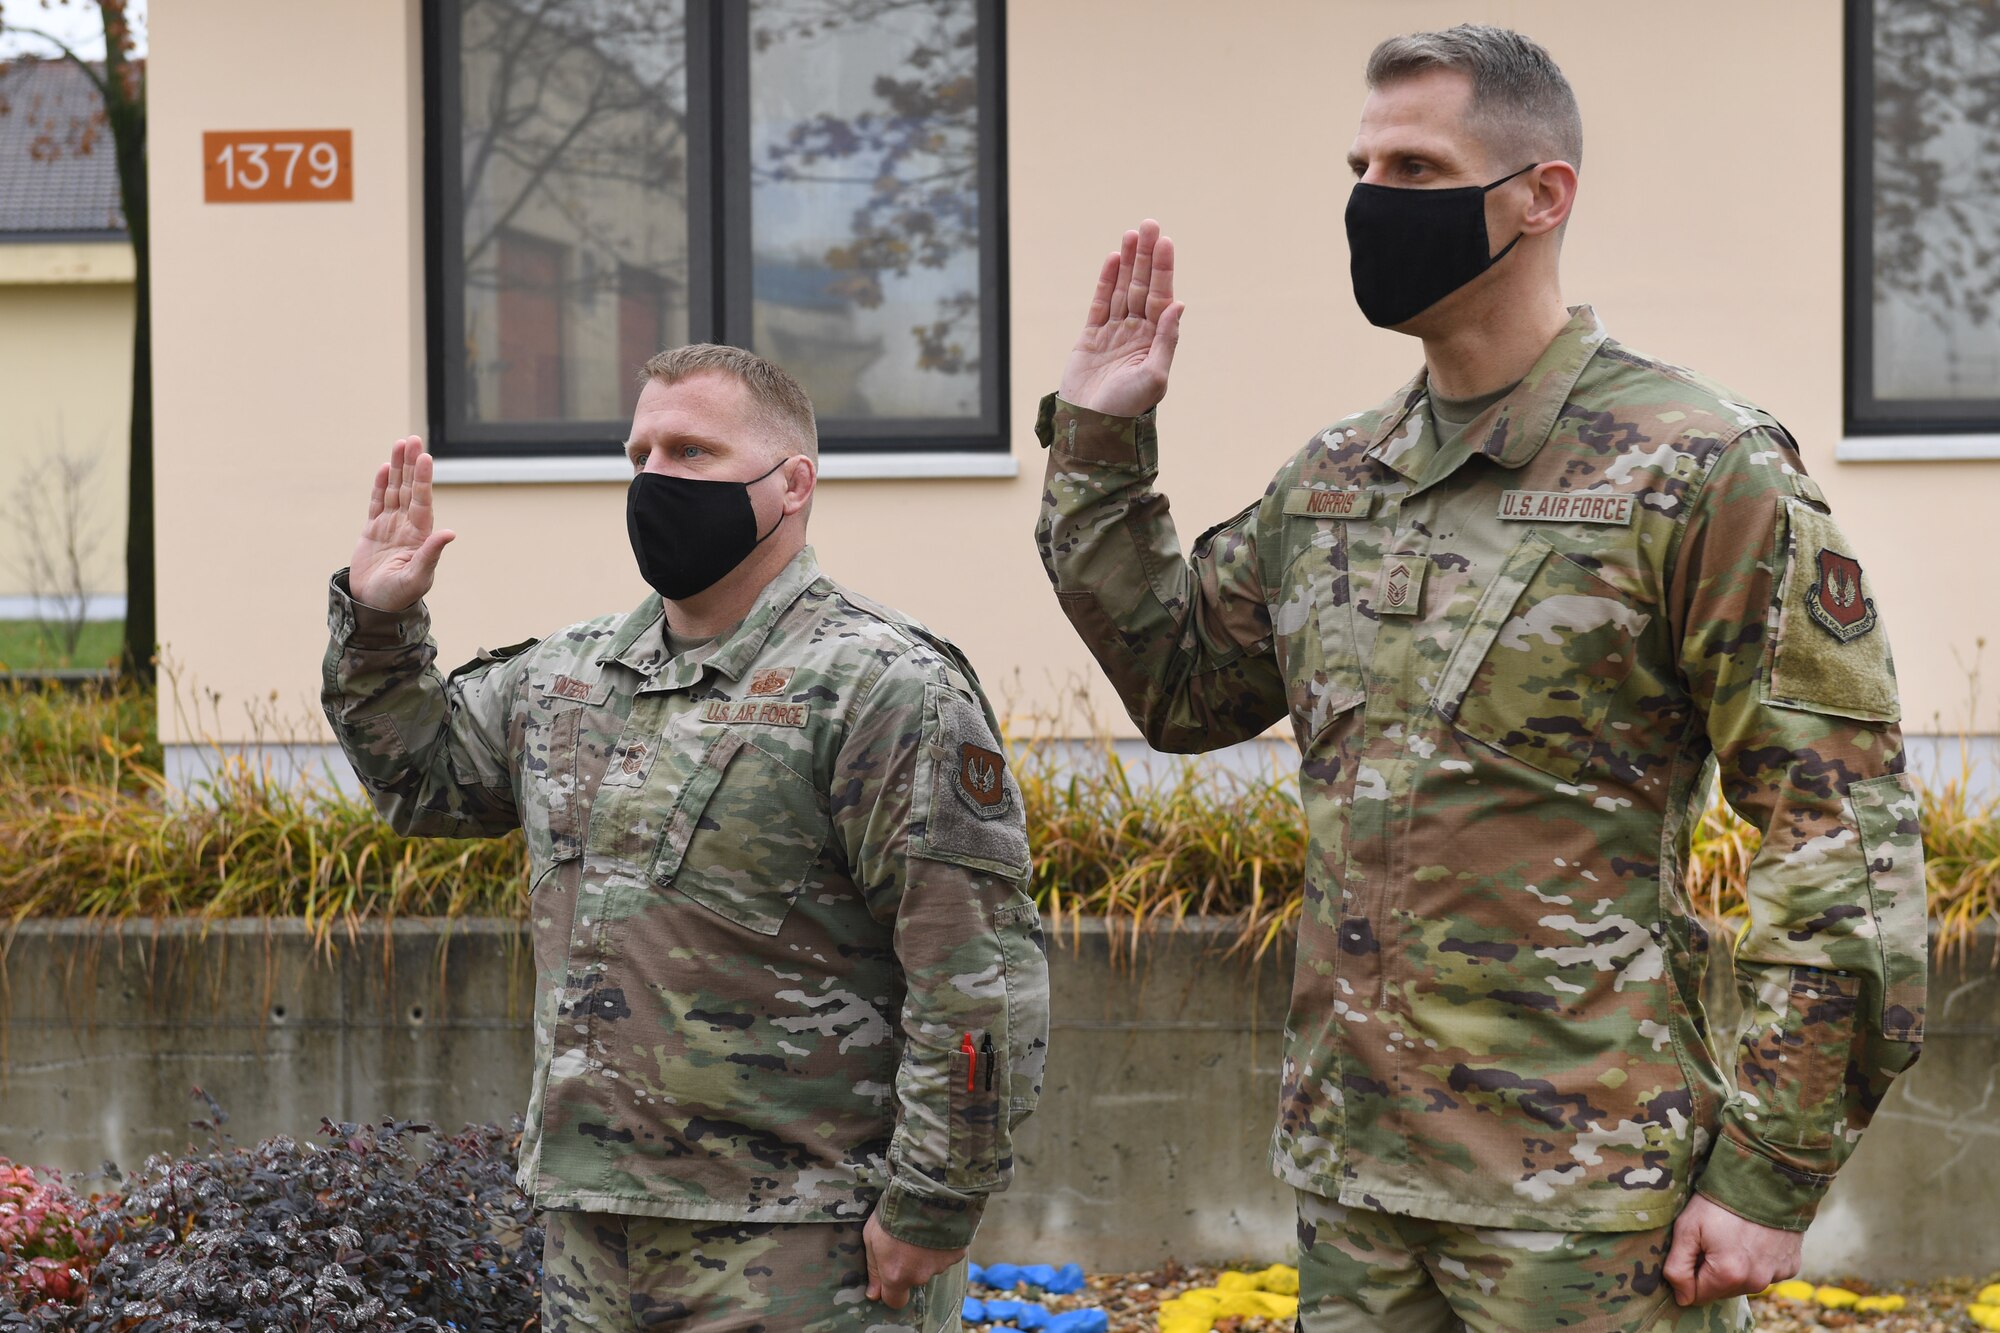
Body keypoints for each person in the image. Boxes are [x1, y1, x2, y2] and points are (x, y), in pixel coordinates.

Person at [1034, 24, 1923, 1333]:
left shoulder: (1695, 466)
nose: (1371, 201)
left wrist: (1772, 1168)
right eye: (1360, 164)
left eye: (1414, 164)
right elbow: (1184, 686)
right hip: (1358, 1194)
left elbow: (1838, 832)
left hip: (1587, 1213)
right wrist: (1104, 444)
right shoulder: (1335, 479)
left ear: (1540, 195)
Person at [323, 343, 1049, 1332]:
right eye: (641, 453)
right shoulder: (571, 676)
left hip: (801, 1244)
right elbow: (422, 781)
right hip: (592, 1235)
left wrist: (932, 1199)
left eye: (693, 452)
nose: (656, 479)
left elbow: (975, 969)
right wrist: (379, 623)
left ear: (791, 483)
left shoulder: (882, 689)